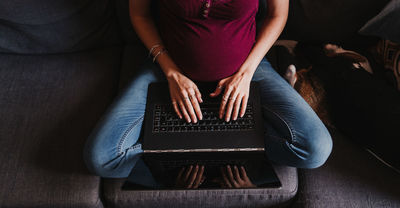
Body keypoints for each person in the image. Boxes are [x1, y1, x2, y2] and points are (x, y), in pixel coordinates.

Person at [83, 0, 333, 179]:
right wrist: (171, 72)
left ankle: (240, 135)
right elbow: (140, 15)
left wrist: (245, 73)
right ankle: (172, 148)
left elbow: (277, 15)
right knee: (101, 158)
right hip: (166, 69)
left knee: (316, 149)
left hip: (249, 68)